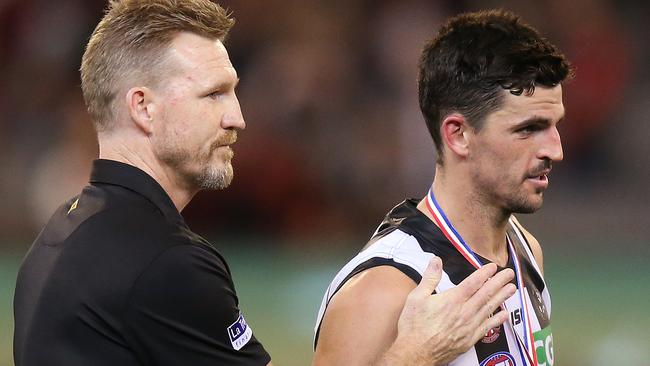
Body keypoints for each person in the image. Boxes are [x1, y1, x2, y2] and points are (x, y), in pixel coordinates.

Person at [13, 1, 517, 365]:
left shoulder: (58, 235)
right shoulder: (165, 263)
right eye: (213, 95)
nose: (237, 117)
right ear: (142, 107)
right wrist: (417, 352)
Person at [313, 9, 572, 366]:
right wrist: (417, 356)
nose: (554, 150)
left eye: (555, 126)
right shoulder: (381, 290)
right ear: (458, 134)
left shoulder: (525, 249)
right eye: (528, 129)